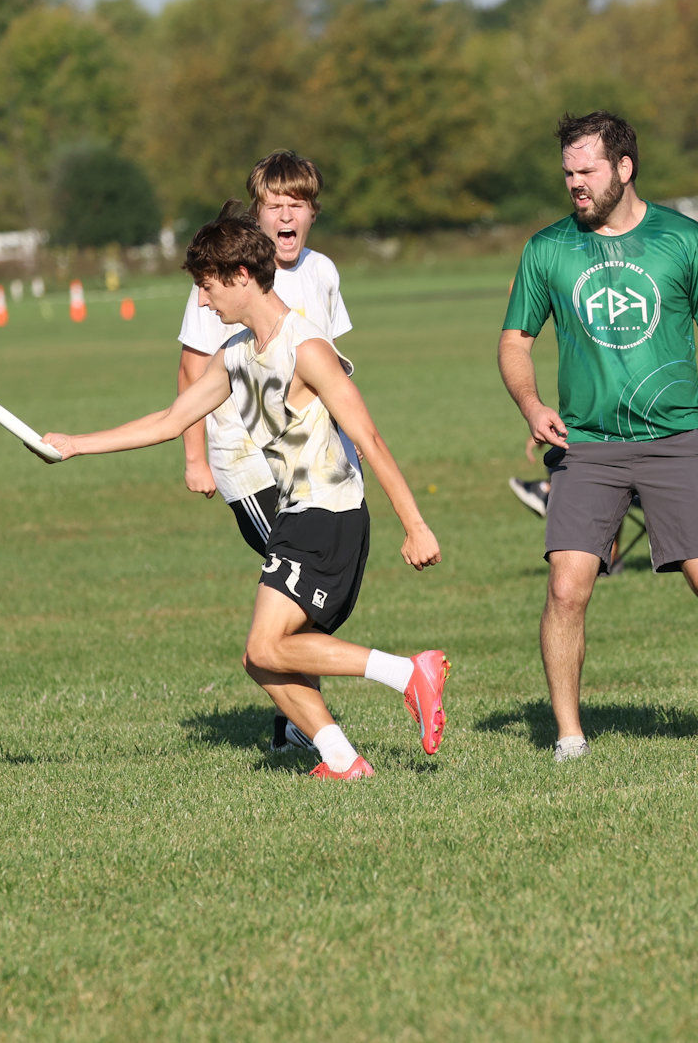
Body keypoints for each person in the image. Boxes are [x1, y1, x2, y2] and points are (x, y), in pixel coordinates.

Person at [40, 205, 449, 780]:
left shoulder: (307, 348)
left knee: (266, 649)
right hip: (298, 515)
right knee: (260, 659)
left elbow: (370, 439)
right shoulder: (235, 353)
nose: (203, 301)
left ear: (239, 276)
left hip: (330, 515)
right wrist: (75, 445)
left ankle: (409, 674)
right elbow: (170, 420)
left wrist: (416, 525)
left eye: (208, 287)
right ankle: (343, 761)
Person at [498, 110, 698, 761]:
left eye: (587, 170)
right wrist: (531, 405)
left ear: (624, 167)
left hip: (676, 438)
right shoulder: (547, 249)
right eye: (567, 172)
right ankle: (569, 737)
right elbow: (514, 342)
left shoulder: (685, 240)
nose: (575, 183)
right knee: (566, 588)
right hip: (587, 445)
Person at [175, 151, 352, 753]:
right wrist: (195, 458)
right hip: (246, 461)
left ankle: (301, 725)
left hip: (311, 462)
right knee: (294, 593)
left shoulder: (322, 272)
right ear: (257, 214)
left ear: (313, 212)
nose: (285, 216)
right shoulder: (226, 277)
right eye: (273, 206)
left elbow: (331, 368)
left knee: (301, 598)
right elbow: (192, 369)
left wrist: (345, 446)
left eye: (296, 205)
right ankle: (306, 726)